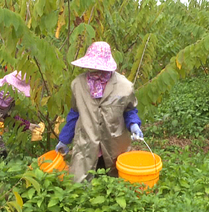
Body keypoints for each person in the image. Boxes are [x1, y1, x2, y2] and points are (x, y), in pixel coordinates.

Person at [55, 41, 143, 183]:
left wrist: (134, 124)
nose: (96, 72)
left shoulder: (124, 86)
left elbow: (129, 110)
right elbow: (75, 113)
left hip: (114, 142)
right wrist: (64, 139)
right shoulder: (78, 84)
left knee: (116, 183)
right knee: (79, 184)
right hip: (86, 142)